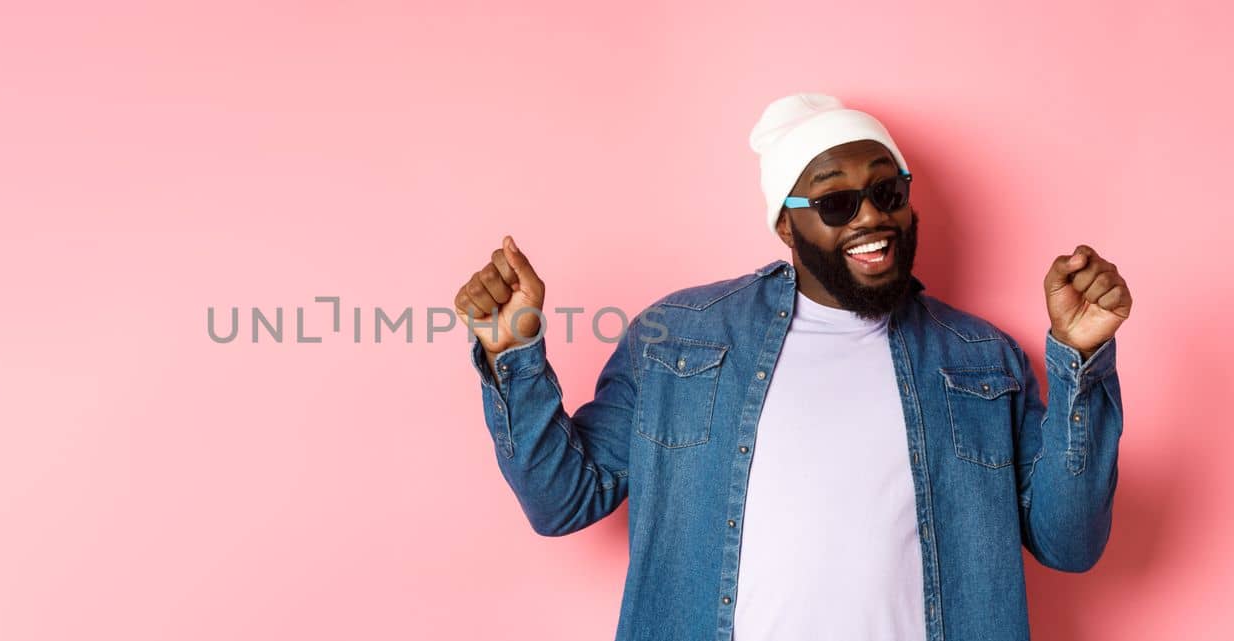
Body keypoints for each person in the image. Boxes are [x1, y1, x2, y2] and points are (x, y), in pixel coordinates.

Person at [452, 93, 1130, 641]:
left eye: (888, 191)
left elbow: (1070, 542)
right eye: (836, 202)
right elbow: (561, 500)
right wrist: (513, 350)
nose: (872, 216)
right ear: (786, 223)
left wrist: (1081, 358)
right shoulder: (679, 339)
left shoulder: (981, 358)